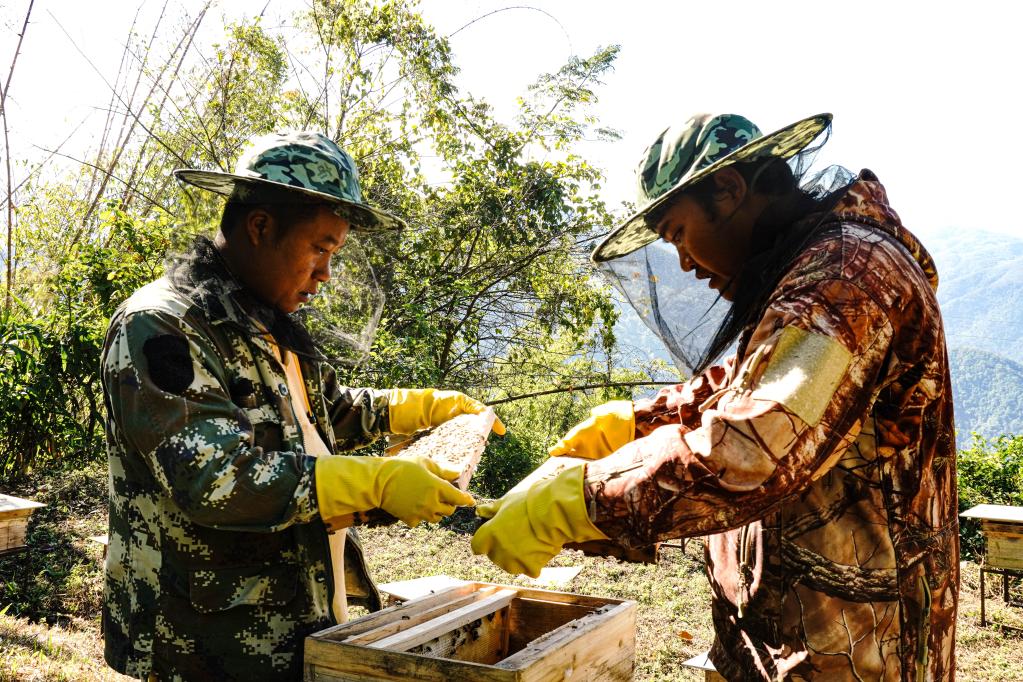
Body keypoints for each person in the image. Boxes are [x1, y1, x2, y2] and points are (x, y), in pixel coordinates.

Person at [472, 113, 958, 680]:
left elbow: (751, 449)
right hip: (788, 639)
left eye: (678, 233)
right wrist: (631, 423)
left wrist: (581, 499)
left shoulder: (845, 276)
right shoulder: (812, 268)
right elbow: (743, 386)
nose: (684, 263)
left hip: (861, 654)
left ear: (728, 189)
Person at [101, 131, 503, 681]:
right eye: (320, 248)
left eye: (334, 254)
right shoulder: (162, 326)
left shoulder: (265, 316)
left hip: (294, 619)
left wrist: (422, 408)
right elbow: (215, 479)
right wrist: (376, 483)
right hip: (201, 645)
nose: (326, 273)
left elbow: (322, 413)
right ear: (260, 226)